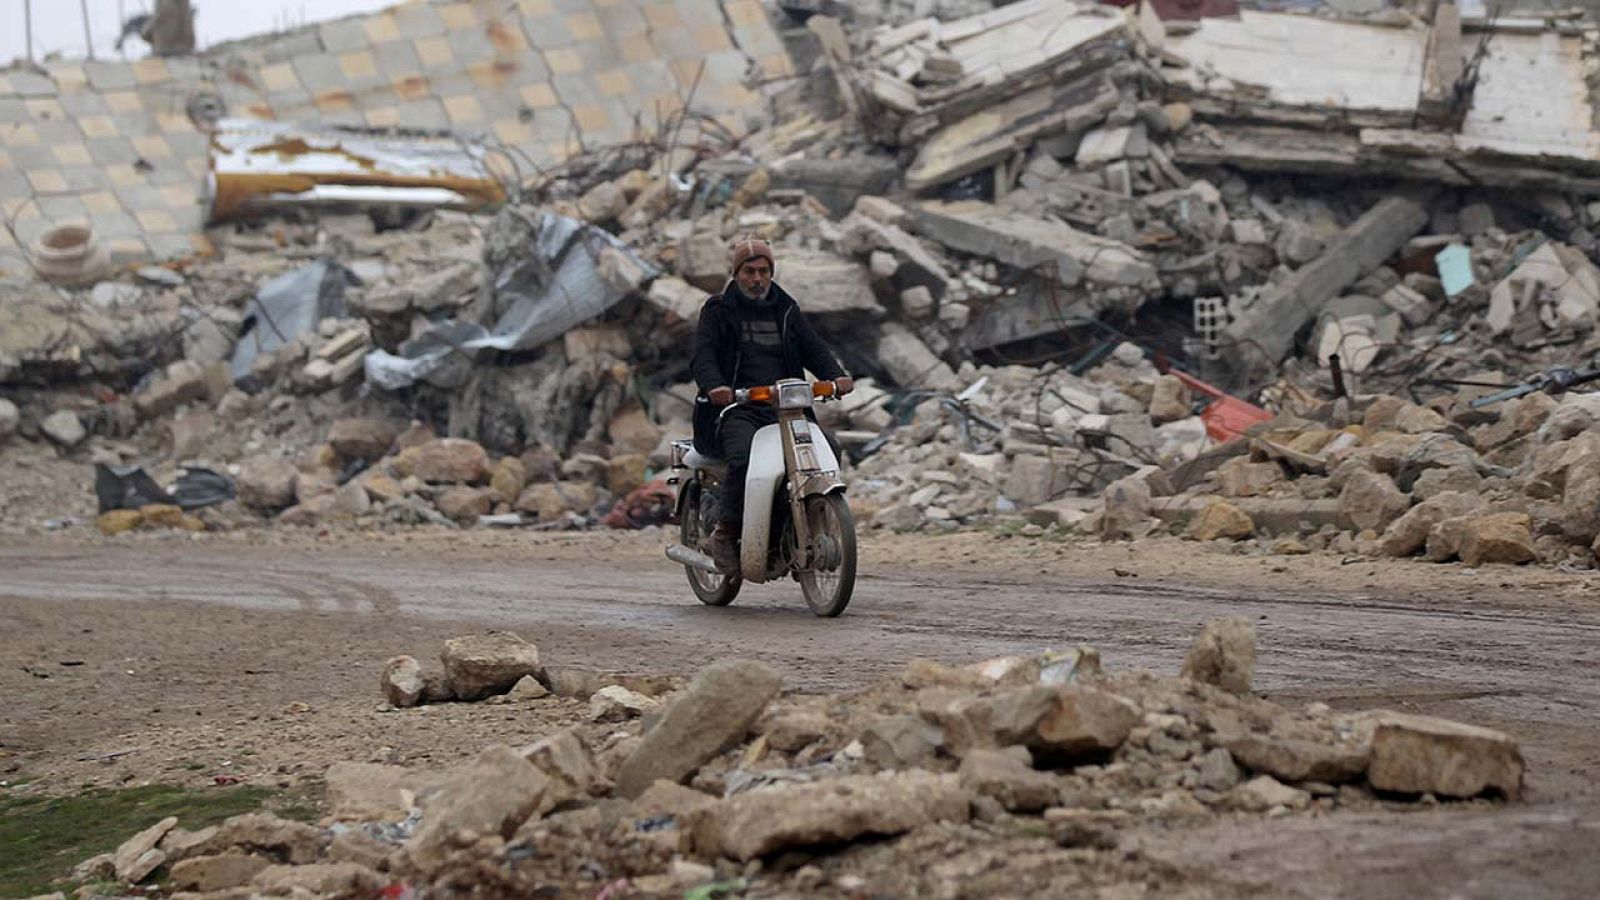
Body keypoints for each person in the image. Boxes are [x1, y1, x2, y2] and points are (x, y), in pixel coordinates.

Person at [691, 236, 854, 574]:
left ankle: (800, 528)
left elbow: (814, 348)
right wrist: (716, 386)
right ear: (736, 273)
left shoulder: (786, 308)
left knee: (830, 449)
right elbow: (702, 355)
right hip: (737, 409)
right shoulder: (718, 310)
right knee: (743, 459)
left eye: (764, 270)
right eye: (750, 271)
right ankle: (726, 532)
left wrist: (836, 376)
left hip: (787, 409)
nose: (758, 278)